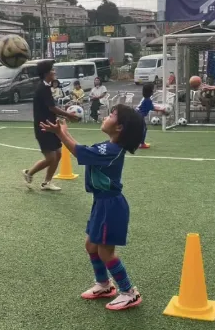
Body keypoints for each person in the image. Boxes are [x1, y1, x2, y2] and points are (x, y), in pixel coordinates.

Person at [38, 104, 144, 311]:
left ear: (120, 127)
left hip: (111, 206)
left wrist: (61, 134)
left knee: (106, 252)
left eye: (112, 115)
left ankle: (129, 292)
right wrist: (64, 133)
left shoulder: (112, 149)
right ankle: (104, 285)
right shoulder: (108, 146)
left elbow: (80, 152)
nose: (106, 116)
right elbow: (84, 151)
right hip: (102, 203)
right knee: (91, 246)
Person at [22, 60, 79, 191]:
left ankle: (47, 182)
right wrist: (68, 115)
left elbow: (49, 109)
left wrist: (60, 117)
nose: (54, 72)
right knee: (51, 157)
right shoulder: (42, 88)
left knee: (58, 155)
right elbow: (52, 108)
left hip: (51, 125)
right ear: (47, 73)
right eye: (52, 70)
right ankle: (29, 173)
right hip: (43, 127)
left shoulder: (46, 87)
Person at [135, 83, 167, 149]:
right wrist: (162, 109)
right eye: (152, 89)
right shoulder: (147, 100)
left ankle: (139, 143)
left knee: (141, 129)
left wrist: (159, 108)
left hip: (137, 115)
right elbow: (153, 108)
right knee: (143, 129)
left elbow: (152, 106)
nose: (153, 90)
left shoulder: (146, 99)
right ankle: (141, 144)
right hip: (139, 116)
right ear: (150, 92)